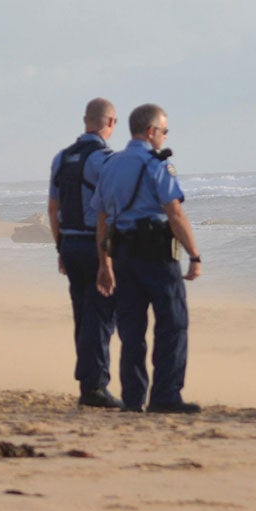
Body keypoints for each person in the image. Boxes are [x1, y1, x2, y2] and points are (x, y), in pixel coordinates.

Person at [93, 103, 202, 414]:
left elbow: (102, 218)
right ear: (151, 131)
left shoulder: (110, 165)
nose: (165, 138)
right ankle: (165, 395)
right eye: (164, 131)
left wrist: (104, 263)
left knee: (131, 330)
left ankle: (132, 398)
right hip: (156, 255)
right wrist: (195, 254)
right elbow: (175, 213)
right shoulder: (156, 165)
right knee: (172, 324)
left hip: (123, 254)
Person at [49, 97, 119, 409]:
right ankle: (94, 387)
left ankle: (87, 381)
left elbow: (53, 209)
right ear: (111, 123)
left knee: (83, 314)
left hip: (70, 243)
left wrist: (60, 247)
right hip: (94, 244)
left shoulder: (61, 158)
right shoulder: (105, 159)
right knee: (101, 316)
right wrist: (108, 258)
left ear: (85, 120)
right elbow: (109, 210)